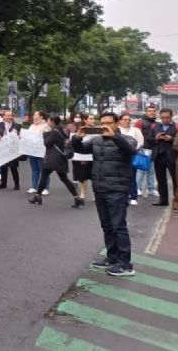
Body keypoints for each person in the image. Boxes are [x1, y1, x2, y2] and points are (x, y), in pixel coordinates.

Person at [72, 112, 138, 277]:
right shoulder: (96, 140)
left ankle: (125, 264)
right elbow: (80, 149)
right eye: (102, 123)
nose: (105, 126)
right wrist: (77, 138)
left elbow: (131, 150)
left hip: (118, 188)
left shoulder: (127, 139)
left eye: (109, 123)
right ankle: (111, 258)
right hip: (100, 188)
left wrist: (115, 136)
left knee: (118, 226)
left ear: (117, 123)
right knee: (107, 226)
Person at [28, 115, 82, 208]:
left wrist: (44, 134)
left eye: (48, 120)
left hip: (52, 159)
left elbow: (47, 143)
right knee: (64, 179)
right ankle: (77, 198)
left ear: (52, 122)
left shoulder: (54, 132)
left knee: (44, 177)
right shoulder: (62, 130)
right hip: (61, 159)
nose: (47, 122)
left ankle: (38, 197)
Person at [150, 108, 178, 207]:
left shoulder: (177, 127)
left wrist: (172, 139)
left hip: (173, 156)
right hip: (158, 156)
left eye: (167, 117)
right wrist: (156, 138)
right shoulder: (155, 126)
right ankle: (163, 200)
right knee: (160, 179)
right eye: (163, 117)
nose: (165, 119)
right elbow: (148, 139)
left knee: (176, 179)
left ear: (171, 116)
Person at [118, 113, 144, 205]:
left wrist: (134, 149)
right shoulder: (117, 130)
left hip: (132, 156)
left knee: (132, 175)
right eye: (125, 119)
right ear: (120, 121)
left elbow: (140, 142)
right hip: (119, 156)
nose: (127, 121)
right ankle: (123, 195)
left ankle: (133, 196)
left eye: (129, 120)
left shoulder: (136, 130)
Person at [134, 106, 158, 198]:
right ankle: (138, 188)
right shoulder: (140, 122)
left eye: (153, 111)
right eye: (149, 111)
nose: (152, 112)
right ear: (146, 112)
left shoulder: (157, 123)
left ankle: (151, 189)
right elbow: (136, 135)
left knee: (151, 170)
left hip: (153, 149)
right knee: (141, 169)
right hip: (142, 148)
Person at [0, 110, 22, 190]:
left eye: (11, 116)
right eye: (7, 116)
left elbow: (19, 134)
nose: (9, 117)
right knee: (3, 167)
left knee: (13, 167)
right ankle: (3, 183)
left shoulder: (16, 125)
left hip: (12, 148)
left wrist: (17, 134)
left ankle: (17, 185)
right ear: (3, 117)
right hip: (3, 148)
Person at [27, 111, 51, 195]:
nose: (34, 116)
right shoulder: (32, 126)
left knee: (43, 170)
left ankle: (45, 188)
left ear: (41, 117)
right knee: (34, 169)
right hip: (32, 150)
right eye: (34, 115)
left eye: (35, 115)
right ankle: (34, 187)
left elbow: (48, 138)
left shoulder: (46, 126)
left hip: (42, 151)